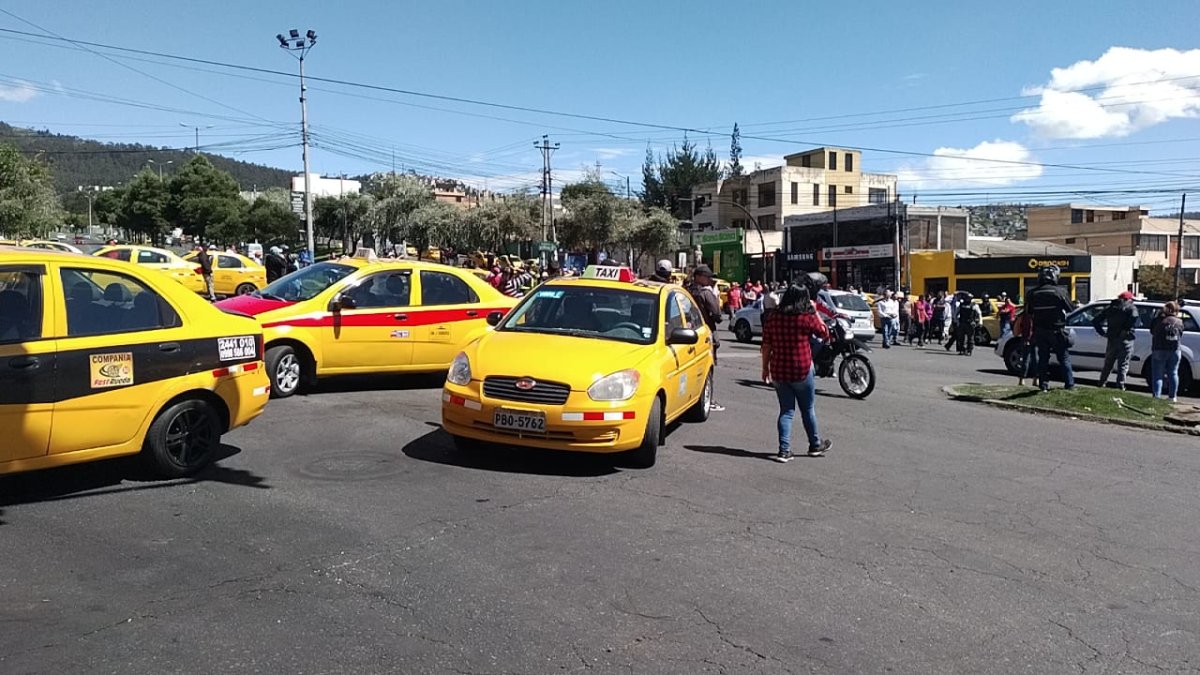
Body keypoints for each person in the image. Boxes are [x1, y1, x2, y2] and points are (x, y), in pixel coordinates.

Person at [761, 284, 832, 462]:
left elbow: (766, 345)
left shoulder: (773, 316)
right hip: (801, 368)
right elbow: (824, 333)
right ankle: (815, 444)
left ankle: (784, 450)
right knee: (807, 409)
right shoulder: (806, 316)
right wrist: (815, 311)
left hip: (779, 368)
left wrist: (765, 368)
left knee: (786, 410)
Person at [1028, 265, 1075, 392]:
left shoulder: (1032, 293)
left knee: (1043, 358)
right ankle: (1069, 384)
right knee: (1063, 357)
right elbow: (1070, 308)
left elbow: (1029, 312)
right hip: (1056, 330)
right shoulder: (1060, 291)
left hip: (1040, 330)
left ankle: (1043, 385)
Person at [689, 265, 725, 412]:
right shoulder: (705, 293)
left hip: (689, 333)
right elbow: (718, 316)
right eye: (707, 277)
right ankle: (706, 398)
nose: (709, 280)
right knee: (707, 368)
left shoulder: (686, 290)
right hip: (706, 333)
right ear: (699, 277)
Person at [1093, 291, 1137, 390]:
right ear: (1128, 299)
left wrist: (1102, 333)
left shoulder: (1110, 308)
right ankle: (1120, 385)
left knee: (1108, 363)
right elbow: (1135, 317)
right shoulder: (1131, 308)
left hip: (1112, 338)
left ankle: (1102, 382)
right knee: (1123, 363)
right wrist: (1126, 329)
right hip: (1126, 339)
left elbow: (1095, 320)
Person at [1150, 301, 1184, 402]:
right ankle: (1172, 396)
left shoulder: (1158, 320)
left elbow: (1152, 331)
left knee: (1157, 375)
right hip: (1175, 350)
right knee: (1173, 373)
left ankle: (1156, 396)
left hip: (1159, 349)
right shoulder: (1179, 322)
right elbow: (1181, 333)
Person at [1014, 304, 1037, 386]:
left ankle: (1027, 379)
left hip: (1031, 339)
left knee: (1031, 360)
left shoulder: (1024, 315)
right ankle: (1025, 379)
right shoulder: (1028, 316)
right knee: (1030, 360)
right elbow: (1029, 328)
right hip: (1030, 339)